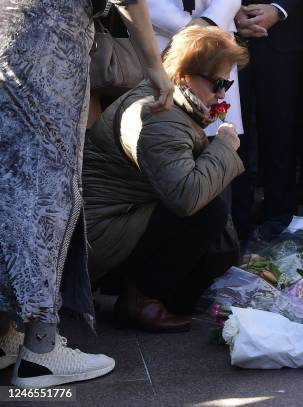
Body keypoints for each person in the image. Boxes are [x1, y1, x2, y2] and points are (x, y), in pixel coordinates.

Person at [0, 0, 173, 387]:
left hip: (8, 50)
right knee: (47, 196)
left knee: (9, 190)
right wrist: (154, 68)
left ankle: (5, 336)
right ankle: (39, 353)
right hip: (49, 57)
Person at [83, 26, 249, 332]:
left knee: (187, 296)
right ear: (185, 75)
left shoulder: (169, 101)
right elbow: (186, 197)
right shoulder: (159, 117)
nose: (223, 94)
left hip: (121, 221)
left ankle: (148, 292)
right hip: (102, 236)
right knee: (206, 209)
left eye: (227, 83)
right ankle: (141, 300)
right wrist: (224, 146)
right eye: (217, 84)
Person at [233, 1, 303, 236]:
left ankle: (281, 221)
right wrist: (227, 10)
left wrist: (279, 9)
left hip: (284, 36)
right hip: (225, 33)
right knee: (231, 133)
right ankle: (236, 224)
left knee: (281, 132)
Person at [148, 0, 244, 139]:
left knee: (221, 136)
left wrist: (210, 20)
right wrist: (188, 28)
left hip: (217, 28)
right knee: (166, 129)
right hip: (161, 32)